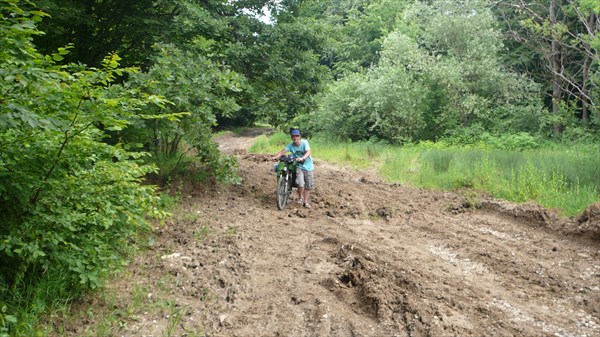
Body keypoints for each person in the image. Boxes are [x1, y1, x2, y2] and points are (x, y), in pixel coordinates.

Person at [272, 129, 315, 208]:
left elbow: (308, 152)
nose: (295, 138)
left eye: (297, 136)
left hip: (309, 167)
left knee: (308, 186)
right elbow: (283, 151)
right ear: (291, 137)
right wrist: (276, 157)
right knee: (299, 183)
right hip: (299, 166)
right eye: (293, 136)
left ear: (299, 137)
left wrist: (302, 158)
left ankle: (305, 202)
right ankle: (300, 197)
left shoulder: (304, 143)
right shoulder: (291, 145)